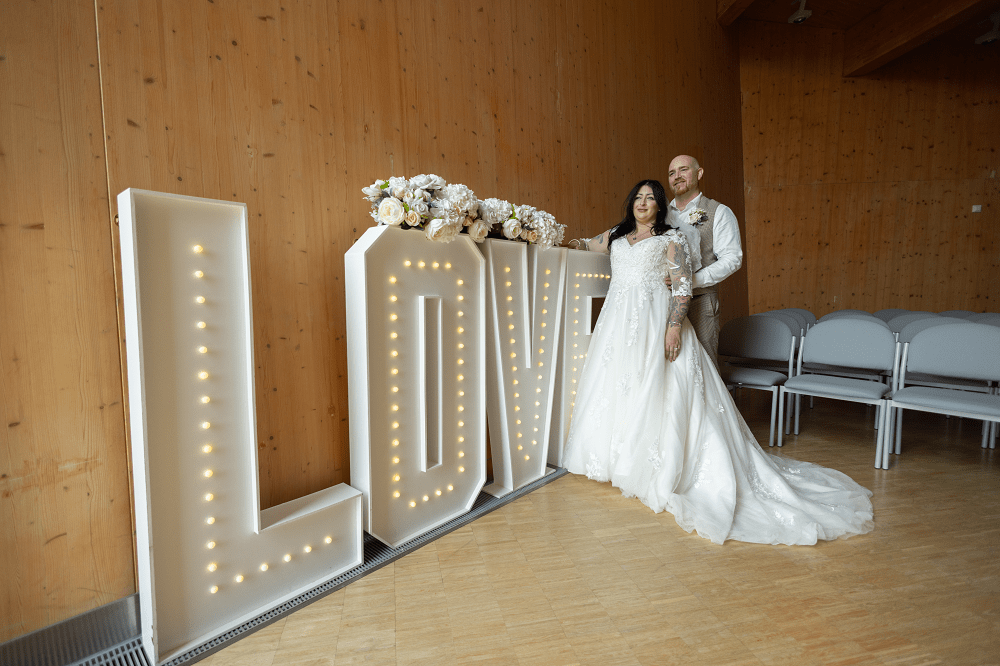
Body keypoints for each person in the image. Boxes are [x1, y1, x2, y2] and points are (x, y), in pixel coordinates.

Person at [563, 180, 873, 546]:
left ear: (660, 206)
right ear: (631, 203)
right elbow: (584, 244)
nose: (643, 202)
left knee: (663, 393)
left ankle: (651, 468)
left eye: (650, 198)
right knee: (617, 386)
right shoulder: (616, 234)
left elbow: (681, 287)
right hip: (617, 326)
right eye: (638, 197)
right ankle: (614, 461)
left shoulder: (671, 238)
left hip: (656, 323)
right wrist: (552, 239)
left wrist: (674, 328)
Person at [666, 155, 742, 368]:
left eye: (683, 170)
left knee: (703, 366)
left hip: (701, 302)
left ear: (699, 173)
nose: (677, 176)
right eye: (672, 173)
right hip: (664, 302)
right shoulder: (660, 214)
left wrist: (692, 280)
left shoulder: (719, 211)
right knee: (669, 367)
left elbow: (732, 259)